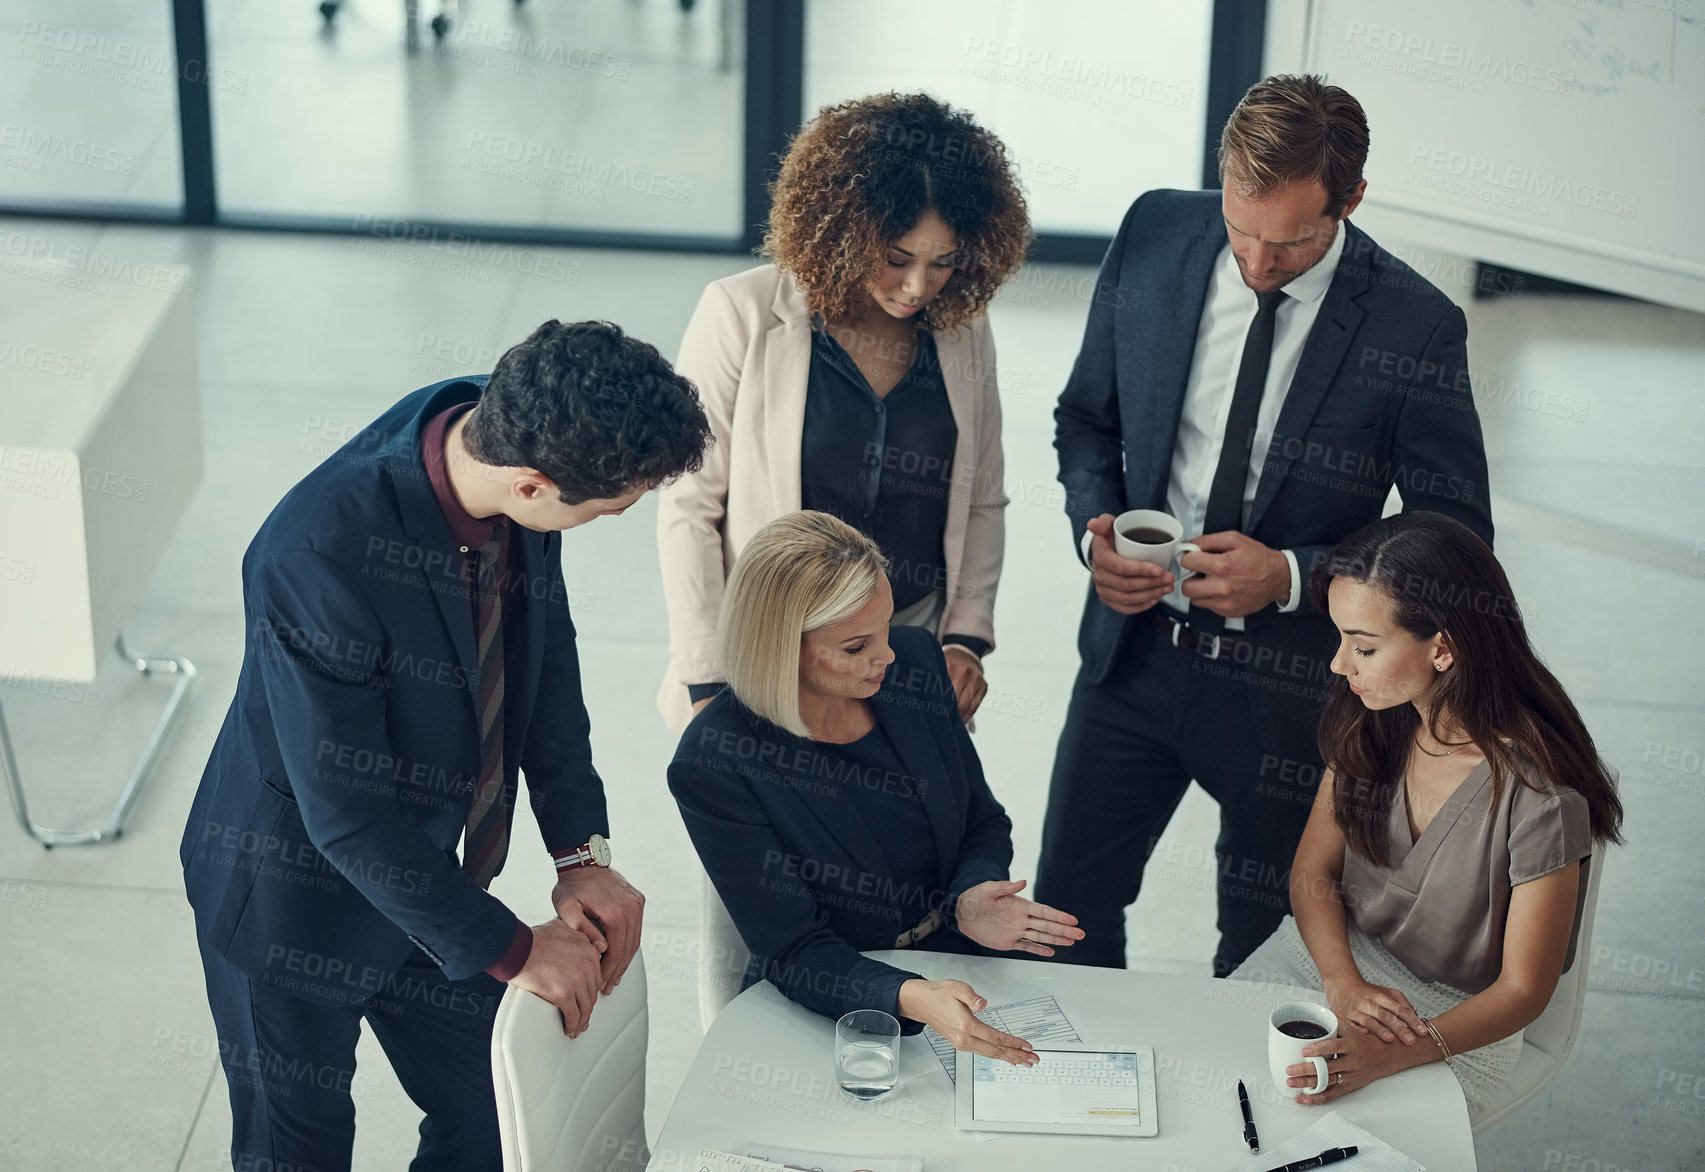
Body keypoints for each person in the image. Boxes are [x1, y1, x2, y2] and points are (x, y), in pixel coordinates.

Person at [180, 321, 712, 1172]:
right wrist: (519, 948)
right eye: (609, 509)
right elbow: (347, 819)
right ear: (534, 486)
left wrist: (582, 852)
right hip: (291, 897)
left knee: (502, 1120)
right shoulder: (315, 555)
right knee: (297, 1154)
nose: (613, 520)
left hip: (432, 883)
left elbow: (545, 660)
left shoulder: (500, 429)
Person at [1038, 74, 1494, 975]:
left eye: (1285, 244)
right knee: (1063, 922)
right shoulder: (1155, 232)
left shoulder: (1416, 327)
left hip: (1289, 694)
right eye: (1239, 231)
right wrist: (1092, 534)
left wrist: (1294, 574)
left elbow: (1455, 531)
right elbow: (1085, 419)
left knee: (1258, 954)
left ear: (1350, 200)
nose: (1253, 263)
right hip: (1129, 656)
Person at [657, 91, 1031, 732]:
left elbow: (983, 500)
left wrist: (965, 639)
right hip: (774, 649)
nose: (919, 286)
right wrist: (708, 676)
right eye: (896, 259)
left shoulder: (966, 332)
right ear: (841, 230)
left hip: (908, 646)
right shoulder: (739, 313)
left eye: (942, 263)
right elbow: (691, 506)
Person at [1231, 511, 1623, 1120]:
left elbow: (1524, 990)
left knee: (1320, 1140)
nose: (1339, 664)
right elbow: (1312, 873)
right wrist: (1342, 982)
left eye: (1362, 646)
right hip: (1329, 957)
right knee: (1207, 1082)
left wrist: (1390, 1054)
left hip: (1453, 1024)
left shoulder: (1542, 797)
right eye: (1340, 640)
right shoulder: (1374, 714)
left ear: (1444, 648)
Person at [668, 511, 1082, 1063]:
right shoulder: (714, 760)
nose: (886, 654)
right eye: (857, 646)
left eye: (885, 628)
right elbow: (794, 950)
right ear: (780, 647)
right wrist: (909, 995)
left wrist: (971, 895)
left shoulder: (913, 663)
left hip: (959, 960)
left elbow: (982, 819)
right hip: (834, 993)